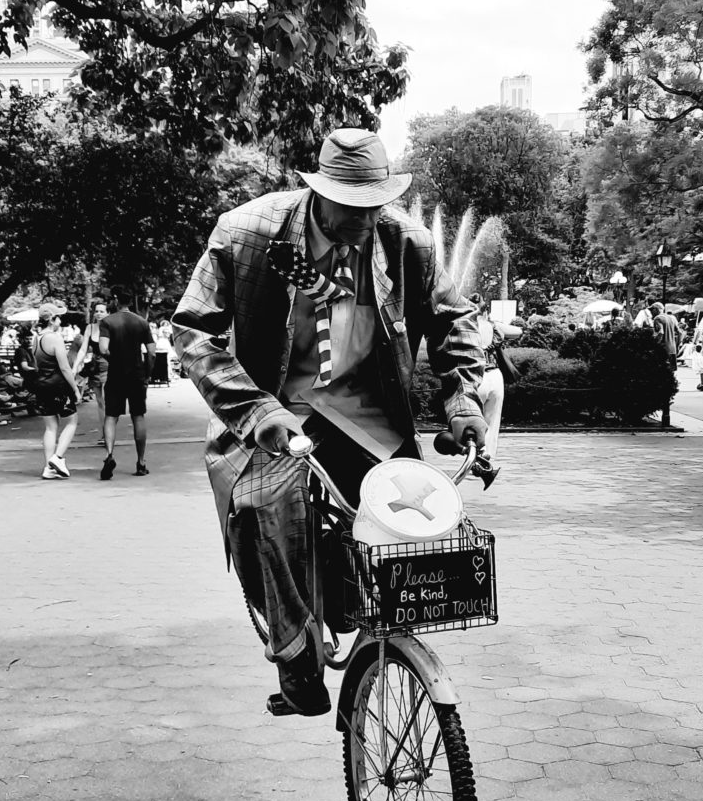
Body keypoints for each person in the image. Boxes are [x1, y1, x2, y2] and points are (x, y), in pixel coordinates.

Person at [172, 127, 487, 717]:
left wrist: (462, 401)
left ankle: (371, 638)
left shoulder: (405, 241)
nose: (369, 218)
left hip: (368, 411)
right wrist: (253, 409)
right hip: (275, 409)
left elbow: (454, 321)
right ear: (319, 192)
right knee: (265, 509)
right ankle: (295, 656)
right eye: (354, 206)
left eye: (378, 203)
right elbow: (193, 330)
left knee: (407, 515)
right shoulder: (245, 233)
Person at [98, 287, 156, 479]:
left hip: (115, 374)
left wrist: (115, 358)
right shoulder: (142, 322)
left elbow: (103, 348)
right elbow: (152, 352)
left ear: (116, 300)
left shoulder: (107, 322)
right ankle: (141, 461)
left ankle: (109, 455)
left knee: (111, 416)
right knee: (138, 416)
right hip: (136, 374)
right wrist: (147, 373)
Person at [33, 302, 81, 479]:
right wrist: (75, 389)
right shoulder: (55, 338)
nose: (61, 320)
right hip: (57, 385)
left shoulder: (36, 338)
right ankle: (58, 458)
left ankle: (48, 467)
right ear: (52, 319)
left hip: (42, 384)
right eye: (58, 316)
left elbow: (38, 363)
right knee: (72, 421)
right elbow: (65, 367)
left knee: (50, 426)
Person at [475, 300, 521, 473]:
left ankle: (474, 456)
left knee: (473, 420)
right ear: (486, 312)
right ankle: (485, 457)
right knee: (492, 422)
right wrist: (495, 324)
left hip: (474, 377)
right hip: (494, 376)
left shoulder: (465, 327)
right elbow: (518, 332)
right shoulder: (493, 327)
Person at [73, 301, 110, 444]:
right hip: (95, 366)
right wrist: (76, 365)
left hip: (108, 365)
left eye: (102, 311)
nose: (99, 314)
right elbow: (83, 349)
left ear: (107, 313)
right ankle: (104, 433)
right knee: (100, 402)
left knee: (107, 401)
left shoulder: (111, 327)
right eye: (97, 311)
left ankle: (108, 433)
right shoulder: (90, 327)